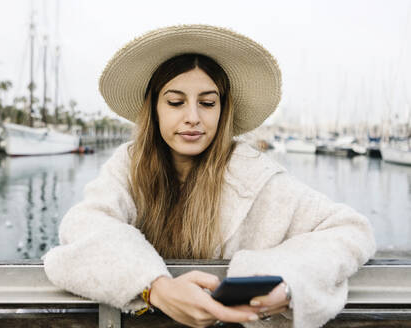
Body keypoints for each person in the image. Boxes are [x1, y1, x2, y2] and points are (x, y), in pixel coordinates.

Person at [43, 25, 376, 328]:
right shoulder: (128, 166)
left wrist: (289, 284)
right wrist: (154, 287)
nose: (192, 117)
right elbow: (85, 225)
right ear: (154, 108)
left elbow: (349, 229)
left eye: (207, 102)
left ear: (223, 109)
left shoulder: (256, 175)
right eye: (175, 102)